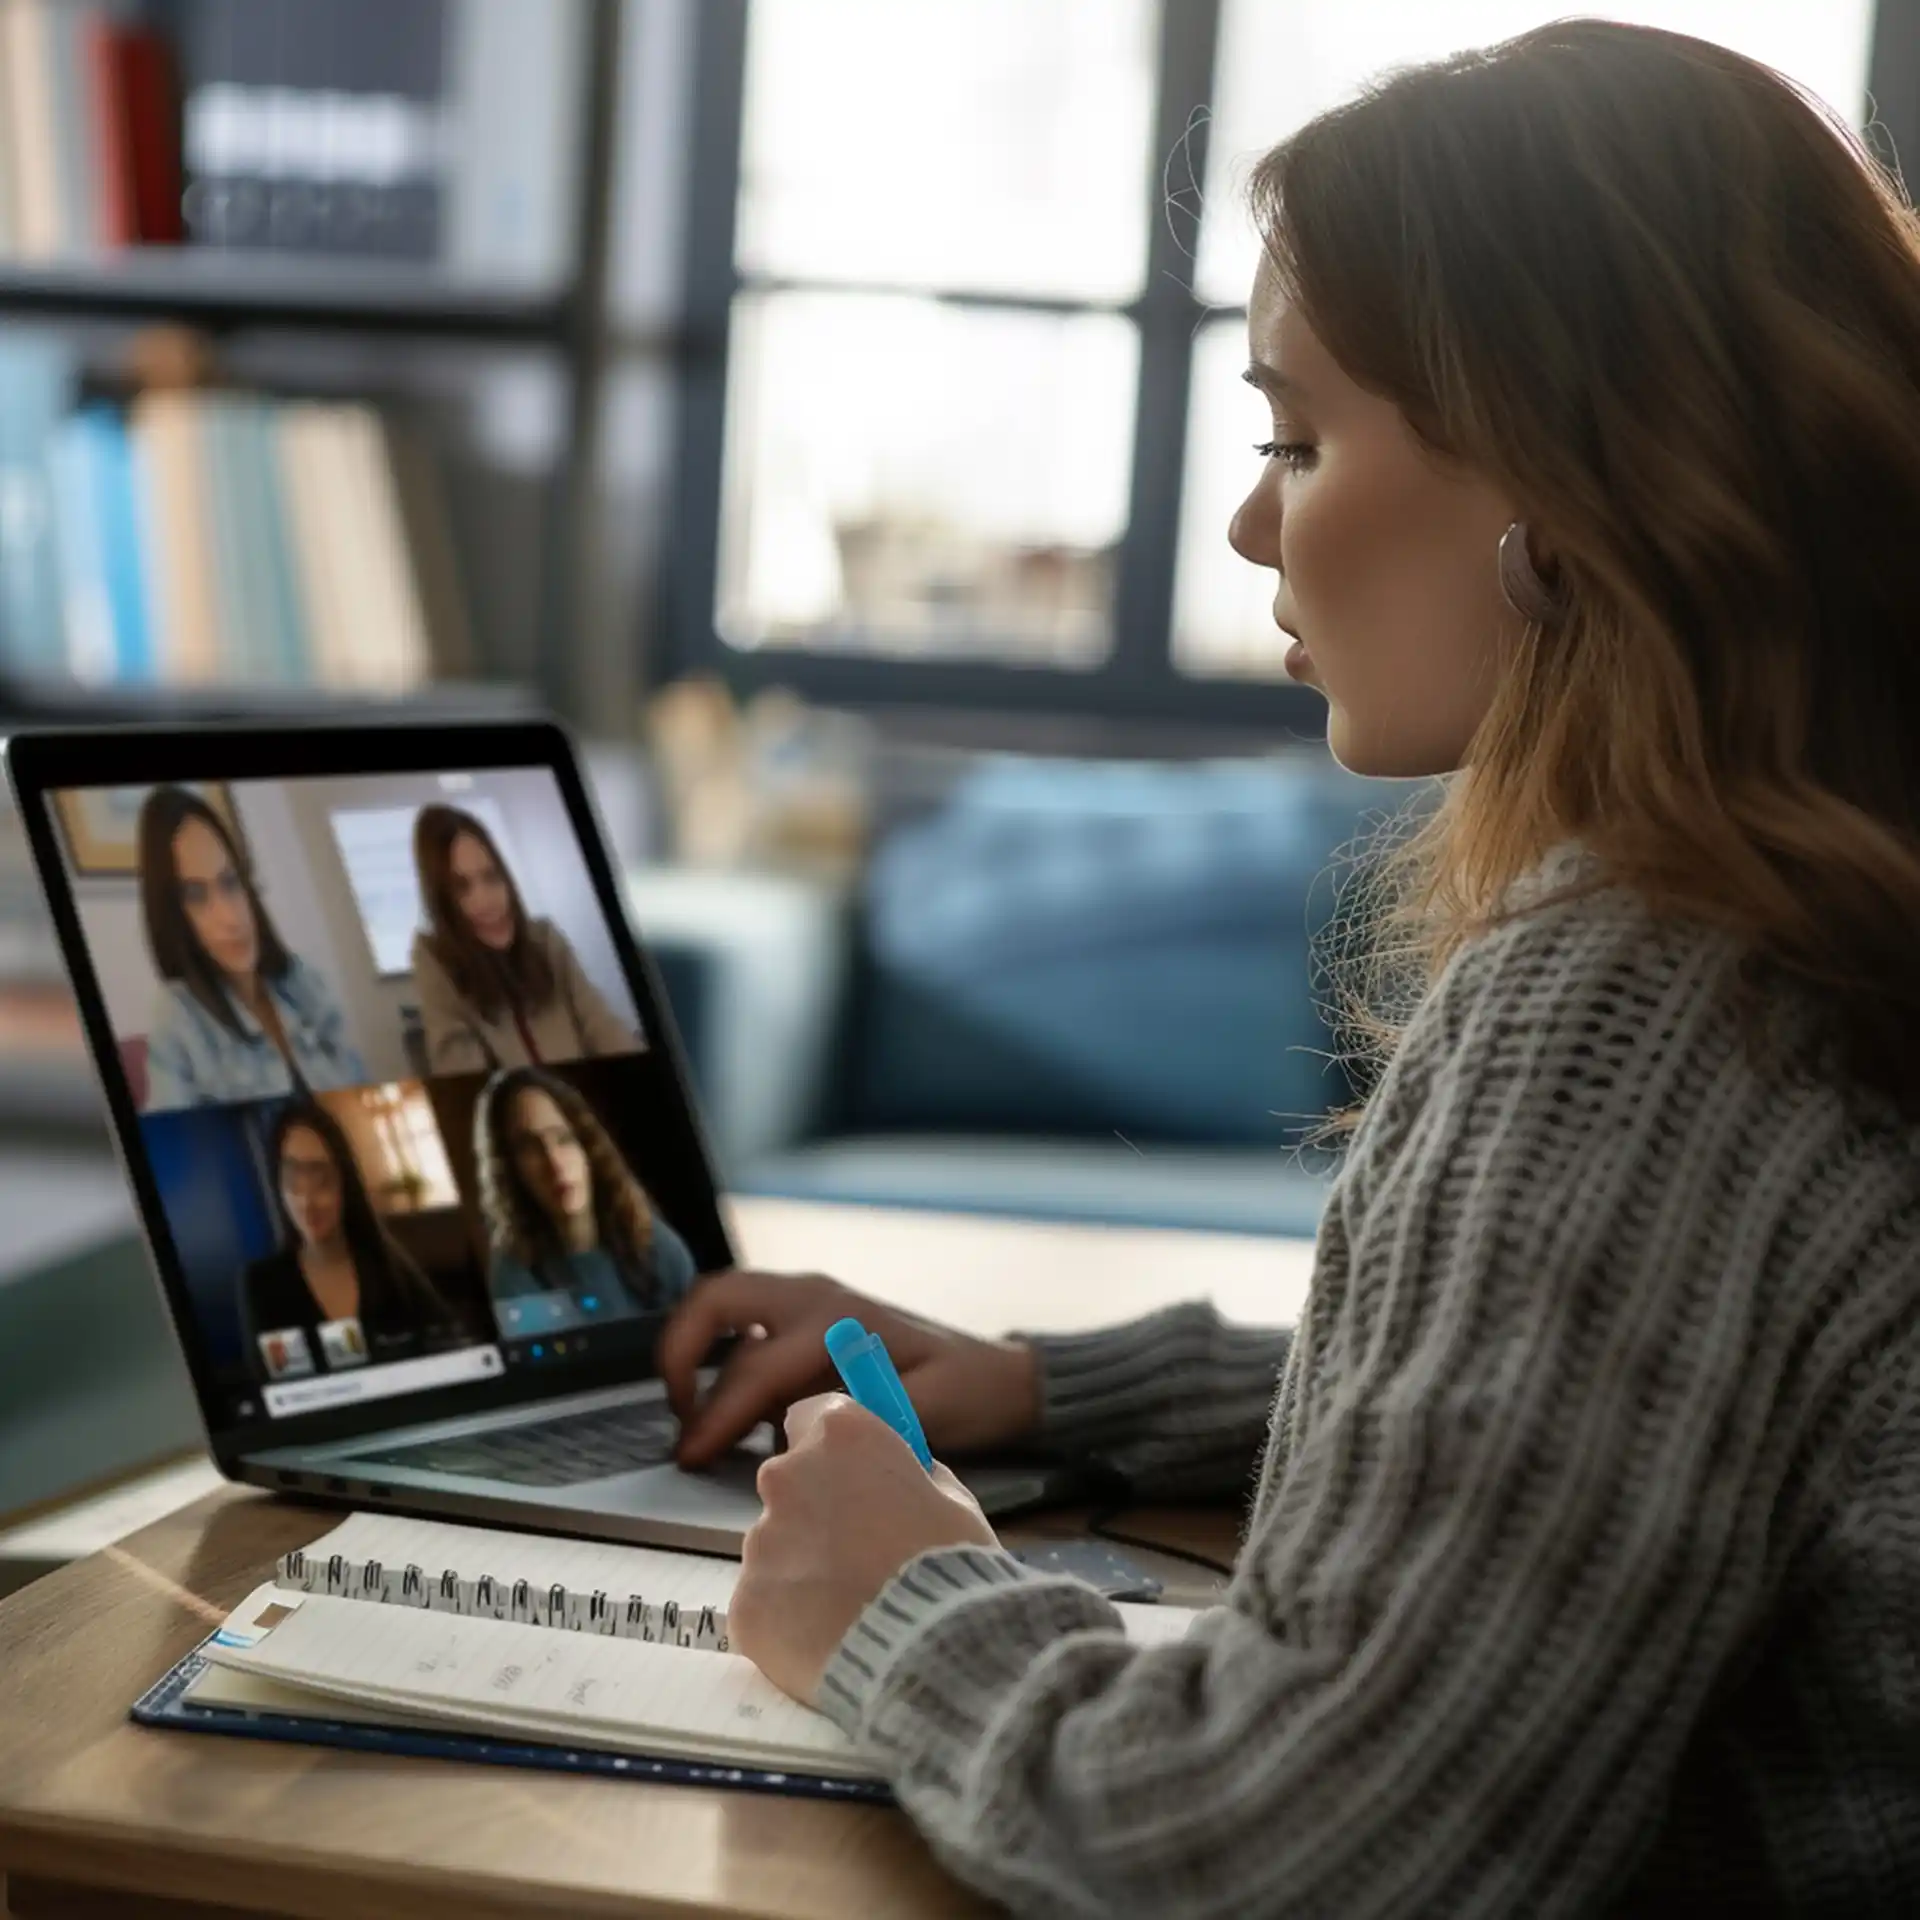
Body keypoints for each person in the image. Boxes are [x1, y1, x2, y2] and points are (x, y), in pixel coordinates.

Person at [654, 22, 1920, 1915]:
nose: (1252, 522)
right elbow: (1632, 1428)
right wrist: (1054, 1390)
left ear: (1574, 483)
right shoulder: (1828, 907)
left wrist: (899, 1603)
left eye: (1297, 437)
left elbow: (1297, 1856)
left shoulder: (1651, 994)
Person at [139, 786, 365, 1111]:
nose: (231, 917)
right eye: (196, 896)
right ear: (174, 915)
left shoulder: (306, 982)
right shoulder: (178, 1021)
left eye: (230, 882)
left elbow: (360, 1086)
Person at [241, 1100, 463, 1383]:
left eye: (321, 1180)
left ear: (345, 1183)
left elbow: (450, 1345)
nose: (307, 1202)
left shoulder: (388, 1265)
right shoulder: (260, 1284)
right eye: (292, 1180)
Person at [410, 804, 640, 1075]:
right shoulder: (435, 962)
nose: (486, 901)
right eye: (462, 888)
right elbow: (462, 1069)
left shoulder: (545, 939)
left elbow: (601, 1025)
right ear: (442, 903)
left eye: (491, 876)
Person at [475, 1066, 697, 1334]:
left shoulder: (647, 1236)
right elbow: (559, 1371)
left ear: (587, 1148)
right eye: (529, 1146)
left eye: (564, 1138)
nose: (554, 1163)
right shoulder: (514, 1271)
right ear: (510, 1169)